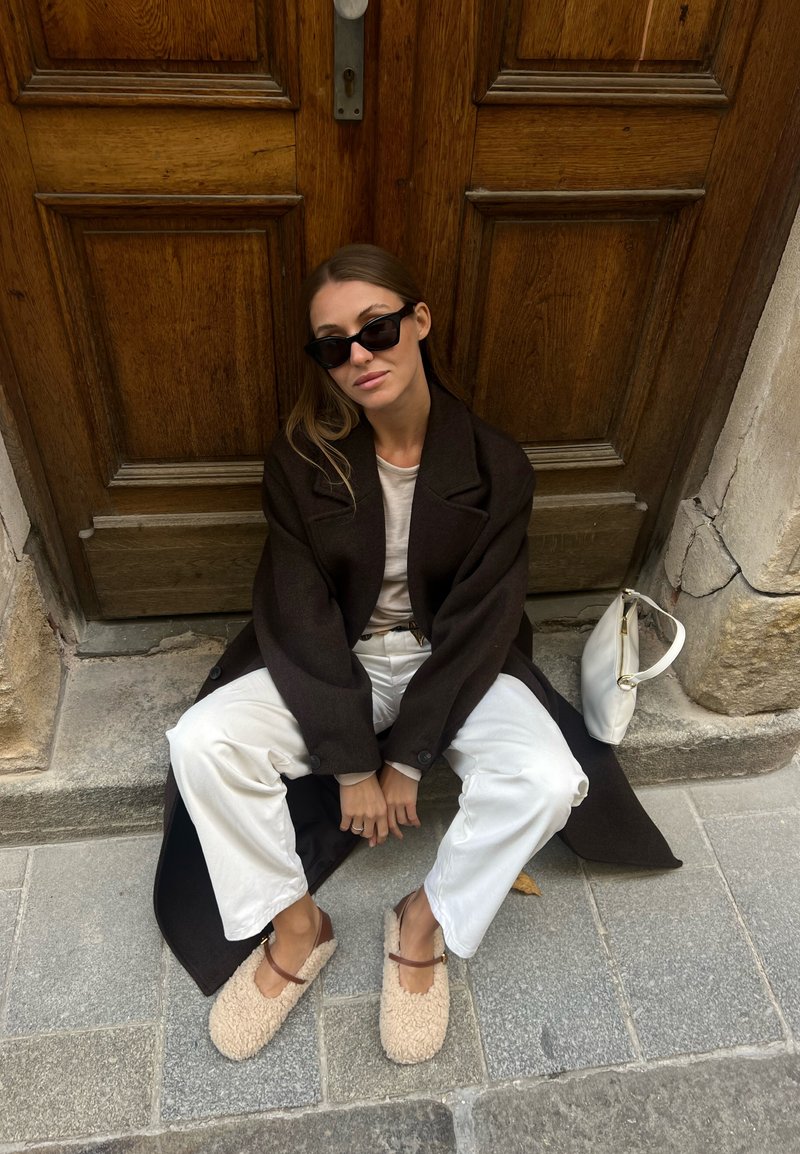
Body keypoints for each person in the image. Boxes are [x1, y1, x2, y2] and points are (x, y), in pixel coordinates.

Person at [154, 244, 680, 1066]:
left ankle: (424, 919)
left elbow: (482, 624)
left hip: (452, 666)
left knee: (548, 778)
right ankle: (298, 928)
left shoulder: (497, 466)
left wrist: (408, 759)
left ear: (419, 320)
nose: (359, 355)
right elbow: (296, 610)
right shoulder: (303, 460)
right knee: (200, 742)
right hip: (333, 664)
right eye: (334, 344)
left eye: (377, 328)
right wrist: (353, 763)